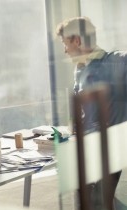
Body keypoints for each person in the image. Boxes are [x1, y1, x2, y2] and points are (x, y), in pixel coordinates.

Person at [56, 17, 127, 210]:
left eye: (65, 43)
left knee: (98, 202)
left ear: (77, 41)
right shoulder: (79, 70)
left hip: (110, 148)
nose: (64, 50)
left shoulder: (118, 61)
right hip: (86, 148)